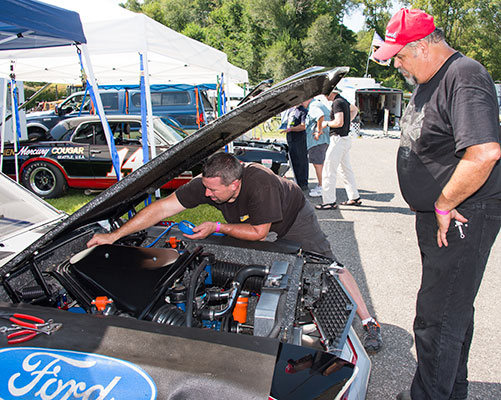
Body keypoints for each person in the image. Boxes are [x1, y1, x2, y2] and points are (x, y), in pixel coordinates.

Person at [87, 152, 383, 353]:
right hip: (253, 223)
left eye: (213, 192)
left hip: (292, 219)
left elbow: (259, 232)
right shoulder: (211, 183)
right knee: (253, 267)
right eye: (205, 188)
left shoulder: (260, 184)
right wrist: (114, 236)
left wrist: (217, 225)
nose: (207, 195)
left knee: (328, 266)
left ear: (236, 184)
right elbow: (163, 207)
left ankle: (369, 321)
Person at [372, 8, 501, 400]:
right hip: (442, 215)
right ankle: (450, 391)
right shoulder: (431, 77)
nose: (398, 63)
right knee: (452, 312)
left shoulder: (465, 76)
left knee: (436, 318)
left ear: (424, 46)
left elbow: (484, 152)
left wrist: (444, 202)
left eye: (401, 55)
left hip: (462, 213)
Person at [315, 89, 361, 210]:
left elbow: (338, 122)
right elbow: (355, 110)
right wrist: (348, 121)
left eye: (326, 94)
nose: (325, 96)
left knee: (329, 171)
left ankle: (329, 201)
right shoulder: (343, 101)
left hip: (338, 139)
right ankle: (354, 196)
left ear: (332, 92)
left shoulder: (337, 103)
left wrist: (326, 123)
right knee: (345, 170)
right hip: (345, 139)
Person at [302, 96, 331, 198]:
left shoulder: (313, 106)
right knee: (321, 163)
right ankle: (321, 185)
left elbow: (320, 116)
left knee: (318, 164)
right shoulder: (318, 104)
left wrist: (318, 131)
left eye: (302, 101)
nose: (301, 103)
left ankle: (322, 188)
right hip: (323, 140)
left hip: (317, 141)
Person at [280, 105, 309, 190]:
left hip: (299, 139)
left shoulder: (303, 111)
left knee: (301, 160)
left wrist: (291, 129)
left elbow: (303, 126)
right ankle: (297, 181)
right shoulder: (291, 110)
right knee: (293, 161)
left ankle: (303, 183)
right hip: (290, 138)